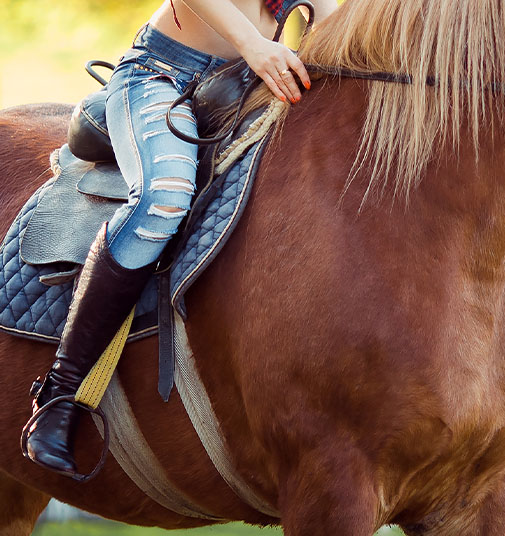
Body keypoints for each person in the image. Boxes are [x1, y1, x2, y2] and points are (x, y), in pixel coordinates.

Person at [23, 0, 339, 477]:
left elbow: (338, 20)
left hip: (251, 86)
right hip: (165, 75)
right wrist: (255, 45)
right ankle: (59, 394)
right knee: (162, 199)